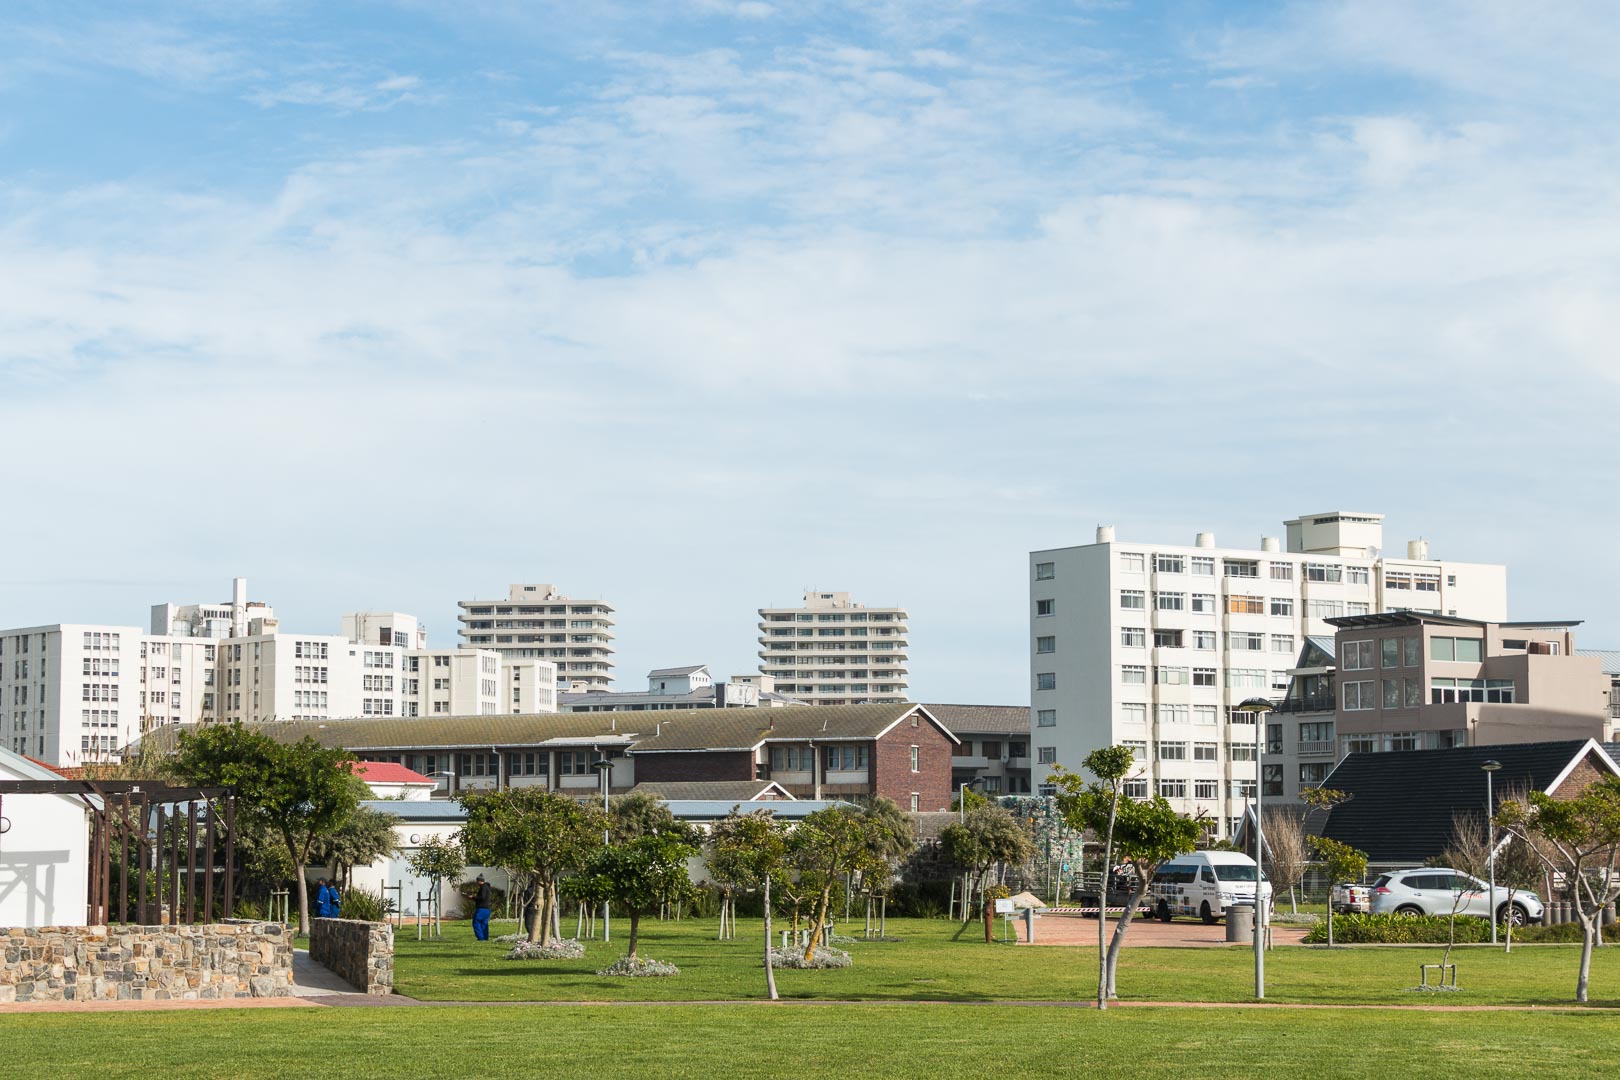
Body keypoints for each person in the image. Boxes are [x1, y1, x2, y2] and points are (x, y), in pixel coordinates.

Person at [472, 874, 493, 941]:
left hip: (481, 909)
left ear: (479, 881)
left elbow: (482, 897)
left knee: (476, 922)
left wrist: (473, 897)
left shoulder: (483, 887)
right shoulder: (487, 887)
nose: (477, 883)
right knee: (484, 924)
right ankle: (485, 938)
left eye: (477, 881)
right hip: (487, 909)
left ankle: (481, 938)